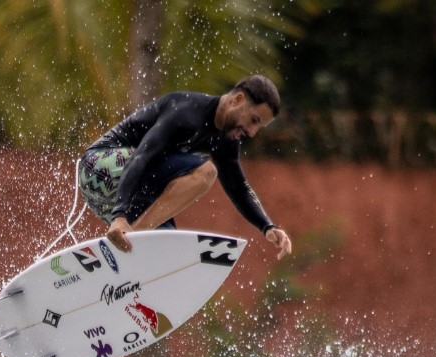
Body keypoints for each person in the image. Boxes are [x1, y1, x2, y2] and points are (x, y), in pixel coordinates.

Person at [79, 74, 292, 259]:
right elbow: (141, 158)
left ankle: (119, 274)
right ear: (238, 100)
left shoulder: (226, 141)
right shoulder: (186, 111)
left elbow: (238, 188)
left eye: (259, 127)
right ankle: (135, 236)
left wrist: (267, 227)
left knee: (168, 246)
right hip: (99, 164)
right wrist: (119, 216)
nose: (252, 132)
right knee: (206, 172)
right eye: (254, 120)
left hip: (116, 190)